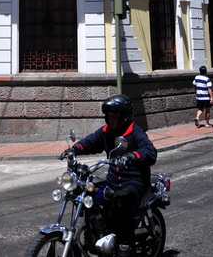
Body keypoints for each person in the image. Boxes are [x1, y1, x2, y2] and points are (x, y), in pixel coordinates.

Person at [60, 94, 157, 257]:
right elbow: (91, 141)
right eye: (109, 116)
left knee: (121, 200)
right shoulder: (107, 131)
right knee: (88, 193)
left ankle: (124, 246)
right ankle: (94, 234)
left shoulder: (135, 131)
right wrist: (75, 149)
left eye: (115, 116)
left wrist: (132, 156)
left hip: (134, 182)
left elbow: (150, 152)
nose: (111, 120)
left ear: (124, 117)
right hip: (113, 181)